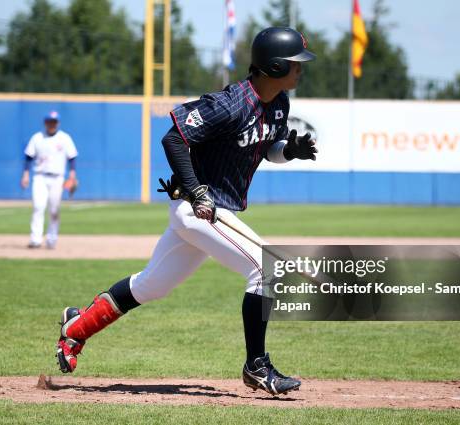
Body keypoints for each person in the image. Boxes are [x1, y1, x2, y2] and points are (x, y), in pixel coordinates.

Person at [55, 27, 318, 396]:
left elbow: (266, 148)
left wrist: (289, 151)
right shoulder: (230, 104)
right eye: (294, 64)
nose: (300, 70)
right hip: (197, 208)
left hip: (216, 211)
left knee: (151, 285)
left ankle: (75, 329)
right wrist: (195, 191)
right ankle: (256, 366)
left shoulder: (279, 105)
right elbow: (174, 138)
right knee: (265, 268)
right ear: (274, 67)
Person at [21, 111, 78, 249]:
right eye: (49, 121)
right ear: (45, 122)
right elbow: (29, 156)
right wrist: (26, 174)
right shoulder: (37, 138)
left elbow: (72, 157)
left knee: (54, 210)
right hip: (40, 176)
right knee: (38, 207)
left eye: (54, 121)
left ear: (57, 123)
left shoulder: (64, 138)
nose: (52, 124)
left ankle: (52, 239)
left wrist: (72, 175)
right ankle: (36, 240)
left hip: (57, 178)